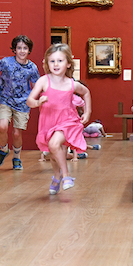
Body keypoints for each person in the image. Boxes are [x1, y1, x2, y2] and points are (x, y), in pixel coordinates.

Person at [27, 43, 91, 195]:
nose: (56, 64)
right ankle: (57, 177)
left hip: (68, 121)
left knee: (54, 144)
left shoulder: (71, 84)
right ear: (47, 63)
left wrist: (87, 112)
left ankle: (66, 176)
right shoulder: (43, 81)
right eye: (52, 61)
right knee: (54, 151)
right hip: (48, 122)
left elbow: (86, 92)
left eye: (60, 61)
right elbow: (29, 101)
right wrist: (37, 102)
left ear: (68, 63)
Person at [0, 35, 40, 171]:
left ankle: (16, 158)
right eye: (19, 48)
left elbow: (36, 86)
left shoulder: (32, 68)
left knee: (17, 133)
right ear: (14, 49)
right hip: (6, 100)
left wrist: (39, 101)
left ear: (29, 50)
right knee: (2, 126)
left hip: (23, 103)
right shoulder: (6, 62)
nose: (22, 51)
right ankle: (4, 150)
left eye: (25, 48)